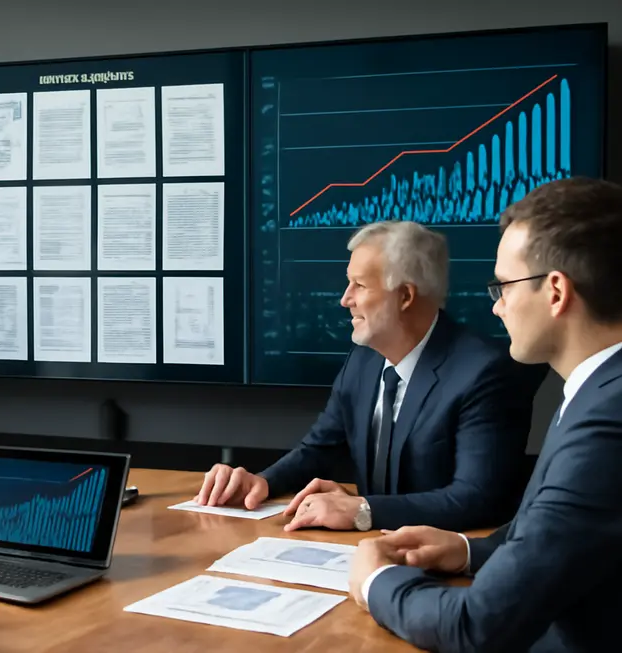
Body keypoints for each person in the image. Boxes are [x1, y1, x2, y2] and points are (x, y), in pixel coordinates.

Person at [349, 176, 622, 652]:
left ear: (555, 292)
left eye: (504, 287)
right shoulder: (597, 389)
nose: (496, 309)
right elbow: (549, 533)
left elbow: (476, 626)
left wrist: (377, 582)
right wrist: (469, 550)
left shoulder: (607, 422)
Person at [196, 220, 544, 532]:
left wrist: (363, 509)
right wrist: (263, 482)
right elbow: (318, 448)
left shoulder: (485, 372)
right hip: (370, 555)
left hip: (448, 566)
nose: (345, 299)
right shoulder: (363, 359)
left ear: (405, 296)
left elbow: (476, 499)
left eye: (359, 285)